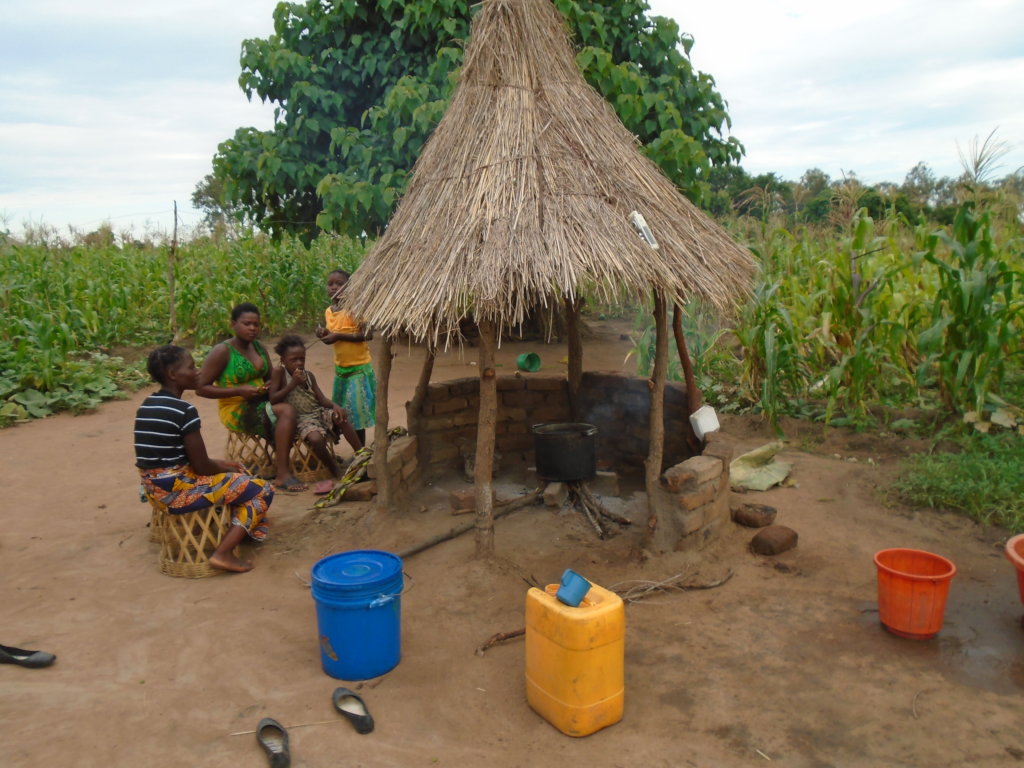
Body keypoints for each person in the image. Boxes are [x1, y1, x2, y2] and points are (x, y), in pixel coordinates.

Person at [135, 345, 274, 573]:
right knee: (262, 490)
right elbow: (202, 466)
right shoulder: (183, 410)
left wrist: (222, 465)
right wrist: (224, 467)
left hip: (153, 491)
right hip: (178, 494)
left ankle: (241, 528)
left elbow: (174, 458)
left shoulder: (147, 405)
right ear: (172, 375)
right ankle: (223, 552)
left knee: (232, 473)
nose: (198, 371)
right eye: (191, 367)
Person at [197, 303, 306, 492]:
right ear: (233, 324)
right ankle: (282, 474)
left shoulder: (259, 347)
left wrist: (271, 384)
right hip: (236, 408)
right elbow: (201, 388)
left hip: (261, 401)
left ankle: (305, 452)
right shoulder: (222, 351)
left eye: (256, 324)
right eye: (247, 324)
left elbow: (271, 376)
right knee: (286, 411)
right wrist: (239, 391)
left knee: (301, 405)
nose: (252, 328)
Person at [268, 335, 362, 493]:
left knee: (341, 417)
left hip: (317, 411)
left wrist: (335, 406)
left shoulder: (309, 375)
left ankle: (361, 455)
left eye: (302, 359)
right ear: (283, 360)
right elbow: (273, 398)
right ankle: (334, 469)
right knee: (316, 438)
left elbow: (321, 399)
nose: (299, 363)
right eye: (294, 359)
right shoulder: (280, 372)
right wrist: (293, 384)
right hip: (300, 418)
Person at [316, 269, 376, 447]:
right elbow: (331, 338)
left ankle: (362, 453)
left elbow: (368, 334)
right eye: (330, 284)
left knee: (356, 416)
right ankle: (359, 452)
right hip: (341, 371)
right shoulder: (329, 311)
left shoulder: (355, 309)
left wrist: (338, 336)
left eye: (339, 284)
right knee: (344, 414)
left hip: (359, 369)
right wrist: (323, 334)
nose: (334, 287)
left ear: (350, 287)